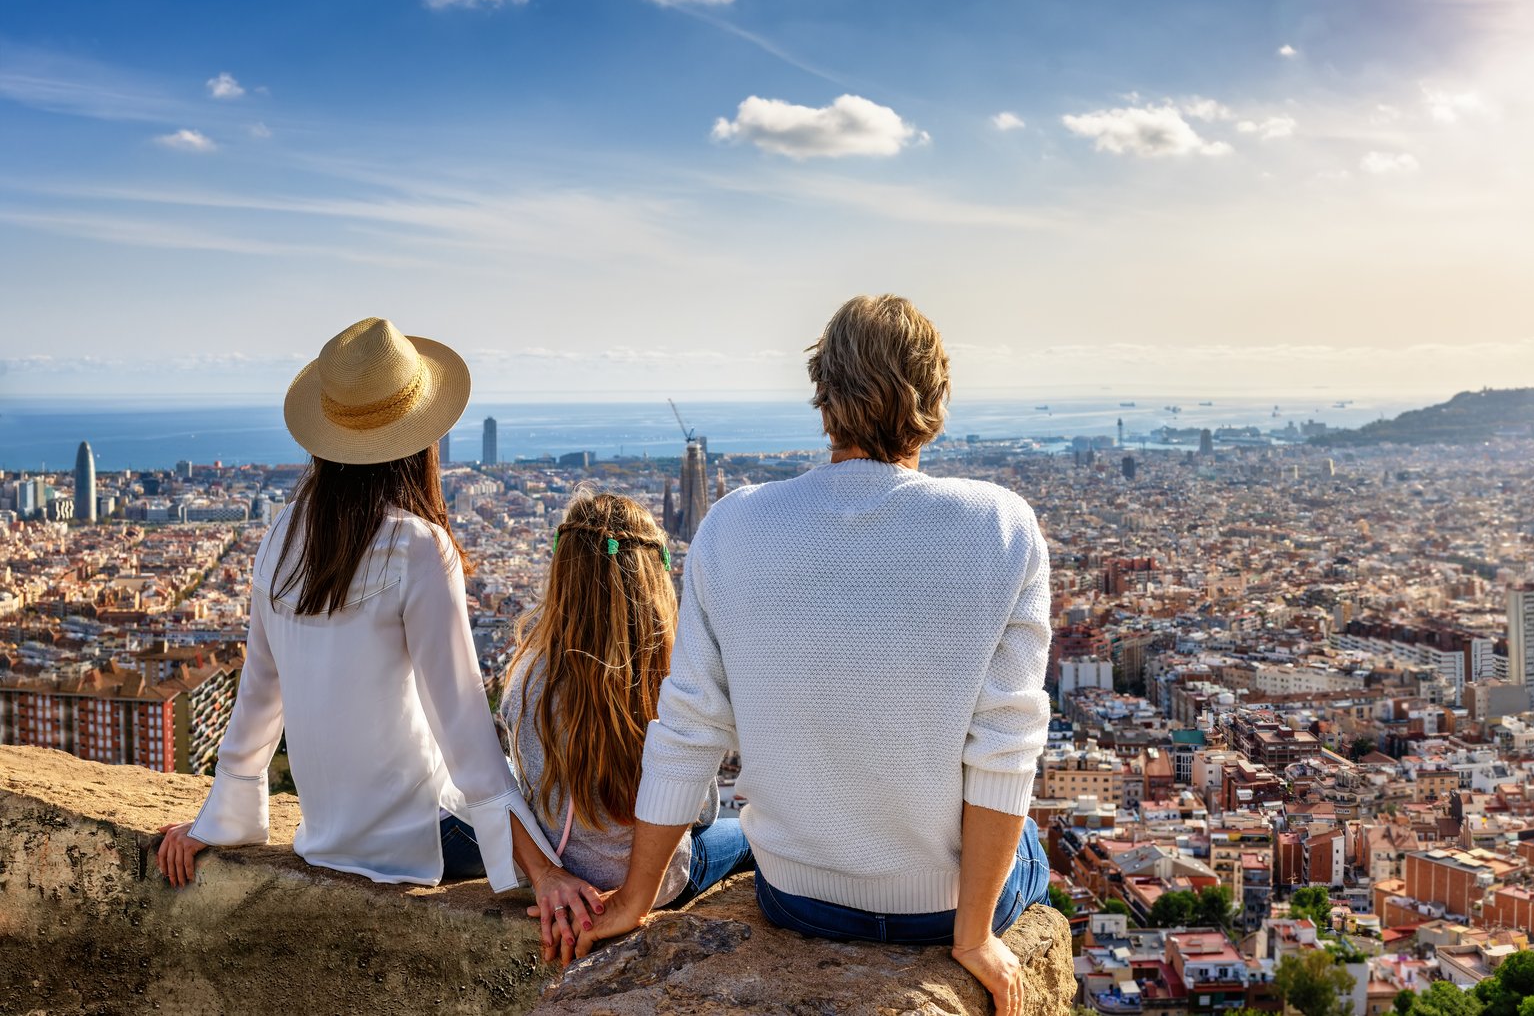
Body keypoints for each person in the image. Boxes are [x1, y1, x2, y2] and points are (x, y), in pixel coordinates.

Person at [572, 296, 1053, 1016]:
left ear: (824, 396)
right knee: (1035, 838)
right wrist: (976, 933)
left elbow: (690, 725)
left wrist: (636, 897)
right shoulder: (1001, 525)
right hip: (942, 907)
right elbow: (1005, 748)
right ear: (935, 400)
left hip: (799, 896)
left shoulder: (733, 523)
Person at [155, 317, 580, 909]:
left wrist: (216, 820)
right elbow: (463, 725)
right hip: (423, 839)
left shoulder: (280, 535)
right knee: (572, 827)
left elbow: (258, 695)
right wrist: (543, 870)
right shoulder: (419, 547)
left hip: (327, 836)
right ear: (420, 437)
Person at [499, 491, 754, 961]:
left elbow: (523, 789)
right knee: (752, 831)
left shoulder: (529, 679)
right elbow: (699, 814)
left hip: (564, 872)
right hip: (659, 884)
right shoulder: (673, 680)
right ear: (653, 583)